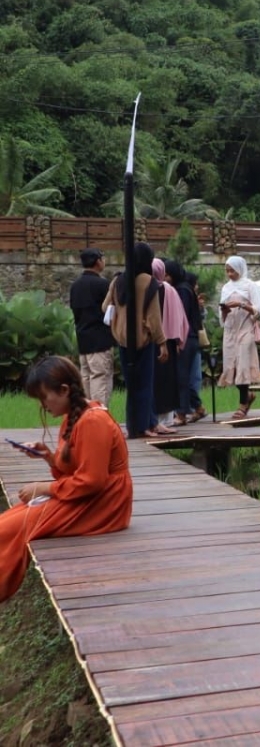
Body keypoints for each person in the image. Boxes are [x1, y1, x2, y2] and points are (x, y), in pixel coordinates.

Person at [0, 356, 133, 602]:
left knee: (13, 528)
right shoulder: (74, 417)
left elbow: (92, 481)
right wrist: (49, 457)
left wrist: (45, 488)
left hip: (104, 504)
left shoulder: (93, 421)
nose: (43, 406)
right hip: (90, 497)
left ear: (64, 390)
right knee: (9, 521)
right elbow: (76, 472)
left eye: (43, 398)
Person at [102, 241, 169, 439]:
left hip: (122, 339)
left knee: (132, 386)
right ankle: (144, 426)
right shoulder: (149, 282)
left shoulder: (118, 280)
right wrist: (162, 342)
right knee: (145, 384)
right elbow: (154, 317)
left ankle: (134, 426)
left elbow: (105, 307)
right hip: (143, 339)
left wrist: (120, 316)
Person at [218, 256, 260, 420]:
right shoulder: (226, 288)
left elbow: (258, 311)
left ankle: (242, 404)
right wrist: (224, 310)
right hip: (230, 330)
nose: (230, 274)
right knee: (231, 365)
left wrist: (241, 305)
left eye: (233, 270)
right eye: (227, 271)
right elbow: (221, 316)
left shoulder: (250, 286)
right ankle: (247, 395)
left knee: (243, 363)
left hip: (245, 328)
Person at [68, 247, 114, 408]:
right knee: (100, 376)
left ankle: (86, 412)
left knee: (86, 377)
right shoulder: (102, 284)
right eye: (102, 258)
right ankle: (99, 413)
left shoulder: (75, 286)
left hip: (83, 338)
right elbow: (111, 310)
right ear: (97, 261)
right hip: (100, 339)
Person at [164, 261, 204, 424]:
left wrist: (178, 340)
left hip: (185, 338)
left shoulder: (181, 290)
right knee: (183, 377)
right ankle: (198, 407)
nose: (165, 278)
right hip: (189, 338)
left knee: (181, 376)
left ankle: (181, 414)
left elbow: (182, 317)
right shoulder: (184, 288)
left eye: (167, 275)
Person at [151, 258, 187, 432]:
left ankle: (153, 417)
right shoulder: (170, 290)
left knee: (155, 380)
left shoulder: (147, 289)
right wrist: (179, 340)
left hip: (152, 342)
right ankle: (167, 418)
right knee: (168, 381)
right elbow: (181, 319)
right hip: (170, 342)